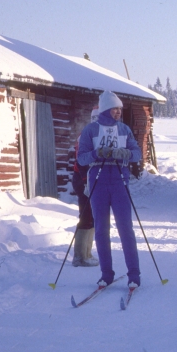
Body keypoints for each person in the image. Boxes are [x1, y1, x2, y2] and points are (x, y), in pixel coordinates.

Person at [77, 90, 142, 288]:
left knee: (125, 229)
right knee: (102, 230)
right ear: (105, 110)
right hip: (98, 180)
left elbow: (137, 153)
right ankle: (106, 274)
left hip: (119, 180)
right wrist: (97, 153)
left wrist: (127, 153)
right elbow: (81, 158)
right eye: (114, 109)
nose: (118, 113)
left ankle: (134, 275)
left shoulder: (124, 129)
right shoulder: (91, 130)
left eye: (119, 109)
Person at [71, 107, 99, 267]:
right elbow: (81, 161)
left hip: (93, 178)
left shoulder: (99, 135)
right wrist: (85, 181)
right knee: (86, 216)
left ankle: (87, 253)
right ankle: (80, 256)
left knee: (93, 217)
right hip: (84, 179)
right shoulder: (86, 135)